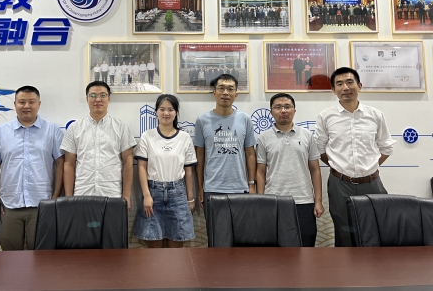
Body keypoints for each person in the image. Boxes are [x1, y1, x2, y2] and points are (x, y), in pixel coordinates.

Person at [314, 67, 395, 247]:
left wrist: (370, 167)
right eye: (339, 84)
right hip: (340, 184)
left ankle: (375, 265)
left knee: (377, 228)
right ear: (333, 90)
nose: (345, 87)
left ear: (359, 86)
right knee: (344, 232)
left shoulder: (375, 115)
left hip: (372, 183)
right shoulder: (326, 117)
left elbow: (386, 147)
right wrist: (338, 167)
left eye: (350, 82)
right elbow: (320, 149)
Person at [0, 85, 64, 250]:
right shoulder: (1, 132)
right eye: (22, 102)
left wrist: (55, 197)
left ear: (39, 104)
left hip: (42, 204)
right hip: (8, 206)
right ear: (15, 104)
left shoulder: (52, 131)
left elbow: (61, 163)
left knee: (41, 256)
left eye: (31, 102)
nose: (27, 106)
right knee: (10, 256)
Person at [256, 93, 324, 247]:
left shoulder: (307, 136)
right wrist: (261, 201)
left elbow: (315, 170)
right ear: (271, 112)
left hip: (303, 200)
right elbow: (260, 172)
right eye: (278, 107)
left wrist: (318, 201)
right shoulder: (263, 138)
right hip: (274, 201)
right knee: (275, 248)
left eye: (287, 106)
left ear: (294, 110)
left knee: (306, 246)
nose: (283, 110)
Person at [134, 94, 196, 248]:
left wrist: (190, 198)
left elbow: (188, 171)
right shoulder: (147, 136)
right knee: (154, 244)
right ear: (156, 111)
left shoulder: (184, 137)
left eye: (170, 109)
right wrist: (146, 195)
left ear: (176, 113)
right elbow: (141, 167)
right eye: (162, 109)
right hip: (153, 193)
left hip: (178, 194)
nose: (166, 113)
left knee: (177, 244)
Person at [62, 81, 136, 210]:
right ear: (87, 99)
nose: (98, 99)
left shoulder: (121, 127)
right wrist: (69, 197)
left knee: (112, 225)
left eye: (102, 95)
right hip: (82, 193)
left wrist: (127, 196)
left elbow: (128, 163)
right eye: (93, 96)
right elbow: (69, 164)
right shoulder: (75, 128)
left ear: (109, 98)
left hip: (112, 194)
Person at [194, 74, 257, 220]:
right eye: (221, 88)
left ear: (236, 94)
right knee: (215, 232)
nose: (225, 93)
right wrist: (201, 187)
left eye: (230, 89)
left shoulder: (245, 119)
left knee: (241, 232)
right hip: (212, 188)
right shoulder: (202, 120)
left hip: (240, 188)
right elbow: (200, 155)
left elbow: (250, 153)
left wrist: (251, 184)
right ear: (214, 92)